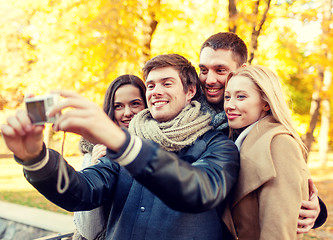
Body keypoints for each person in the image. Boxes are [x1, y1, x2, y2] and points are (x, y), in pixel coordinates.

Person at [1, 54, 240, 240]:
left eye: (166, 83)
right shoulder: (130, 141)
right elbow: (83, 191)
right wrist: (36, 158)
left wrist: (123, 143)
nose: (156, 92)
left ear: (190, 91)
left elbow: (199, 190)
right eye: (151, 85)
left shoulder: (218, 146)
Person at [198, 32, 327, 231]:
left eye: (220, 70)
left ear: (242, 70)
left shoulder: (264, 133)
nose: (209, 79)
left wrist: (315, 209)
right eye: (203, 70)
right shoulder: (186, 116)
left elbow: (278, 187)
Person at [221, 65, 311, 239]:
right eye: (227, 97)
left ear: (266, 103)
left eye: (241, 97)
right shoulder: (244, 141)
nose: (230, 105)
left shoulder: (278, 143)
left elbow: (279, 227)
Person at [73, 74, 147, 240]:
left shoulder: (156, 149)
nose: (127, 113)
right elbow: (89, 230)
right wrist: (93, 171)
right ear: (110, 110)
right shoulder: (95, 150)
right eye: (118, 106)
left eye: (135, 104)